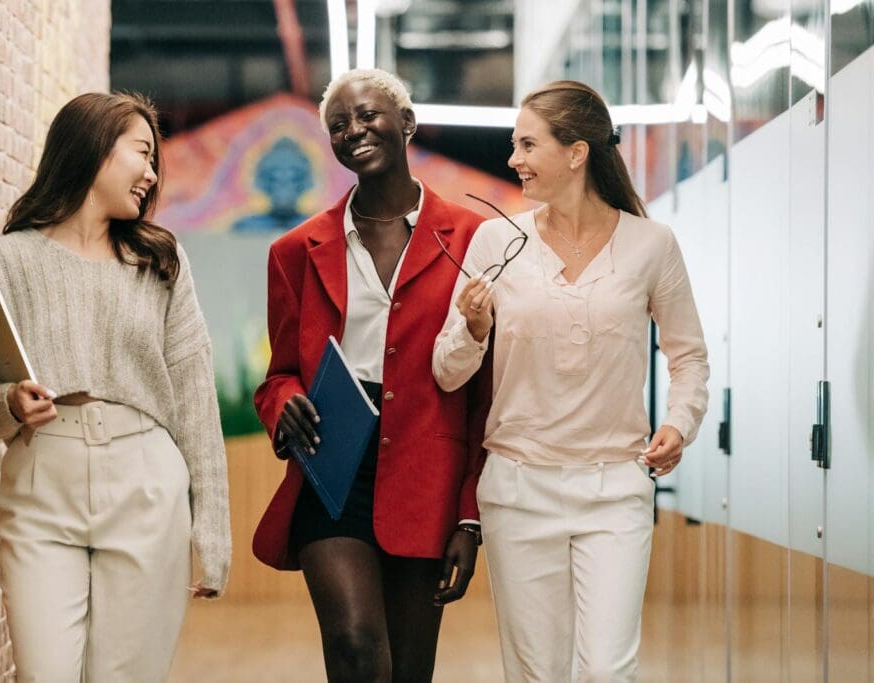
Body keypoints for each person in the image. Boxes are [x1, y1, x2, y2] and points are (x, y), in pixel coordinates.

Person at [432, 80, 709, 682]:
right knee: (537, 673)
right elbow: (447, 372)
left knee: (609, 671)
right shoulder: (495, 241)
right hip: (517, 492)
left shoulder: (651, 245)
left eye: (528, 144)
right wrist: (472, 328)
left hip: (615, 492)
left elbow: (689, 358)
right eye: (514, 144)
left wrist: (679, 424)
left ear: (576, 152)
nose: (513, 160)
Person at [0, 92, 231, 682]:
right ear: (95, 150)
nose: (152, 173)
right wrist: (7, 400)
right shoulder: (6, 260)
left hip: (146, 482)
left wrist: (211, 528)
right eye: (142, 153)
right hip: (40, 484)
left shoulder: (160, 263)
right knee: (46, 673)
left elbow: (195, 397)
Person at [252, 68, 491, 682]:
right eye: (338, 125)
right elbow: (277, 374)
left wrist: (470, 515)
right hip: (331, 467)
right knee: (356, 647)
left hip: (426, 473)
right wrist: (284, 403)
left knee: (409, 670)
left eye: (367, 116)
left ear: (407, 123)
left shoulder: (473, 239)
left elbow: (487, 393)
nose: (353, 130)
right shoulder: (295, 252)